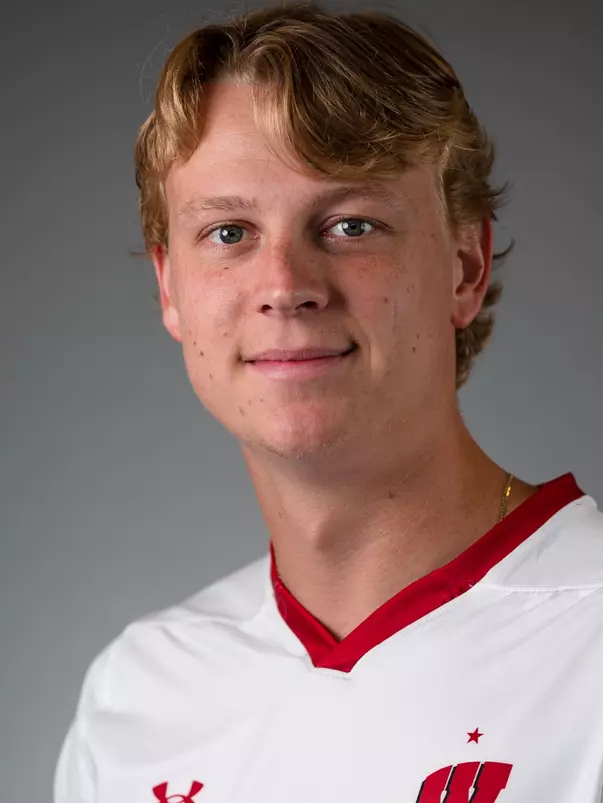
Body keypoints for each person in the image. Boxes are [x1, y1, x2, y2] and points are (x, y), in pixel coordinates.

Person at [54, 3, 603, 802]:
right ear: (169, 286)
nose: (284, 286)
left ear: (463, 265)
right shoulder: (134, 697)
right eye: (229, 233)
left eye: (350, 223)